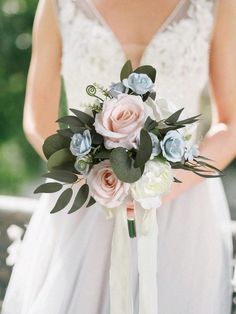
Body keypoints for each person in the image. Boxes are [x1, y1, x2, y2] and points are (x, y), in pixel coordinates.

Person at [2, 0, 236, 313]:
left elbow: (232, 123)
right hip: (83, 203)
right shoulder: (59, 4)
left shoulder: (217, 4)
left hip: (183, 212)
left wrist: (160, 186)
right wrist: (91, 176)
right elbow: (36, 118)